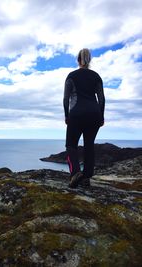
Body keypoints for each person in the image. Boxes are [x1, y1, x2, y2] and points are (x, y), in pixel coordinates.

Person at [63, 48, 105, 188]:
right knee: (89, 145)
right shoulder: (96, 76)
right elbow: (102, 99)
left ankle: (75, 173)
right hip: (94, 114)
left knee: (71, 145)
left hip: (76, 113)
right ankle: (86, 178)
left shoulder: (71, 76)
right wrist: (101, 116)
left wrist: (67, 115)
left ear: (78, 60)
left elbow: (66, 98)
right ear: (89, 60)